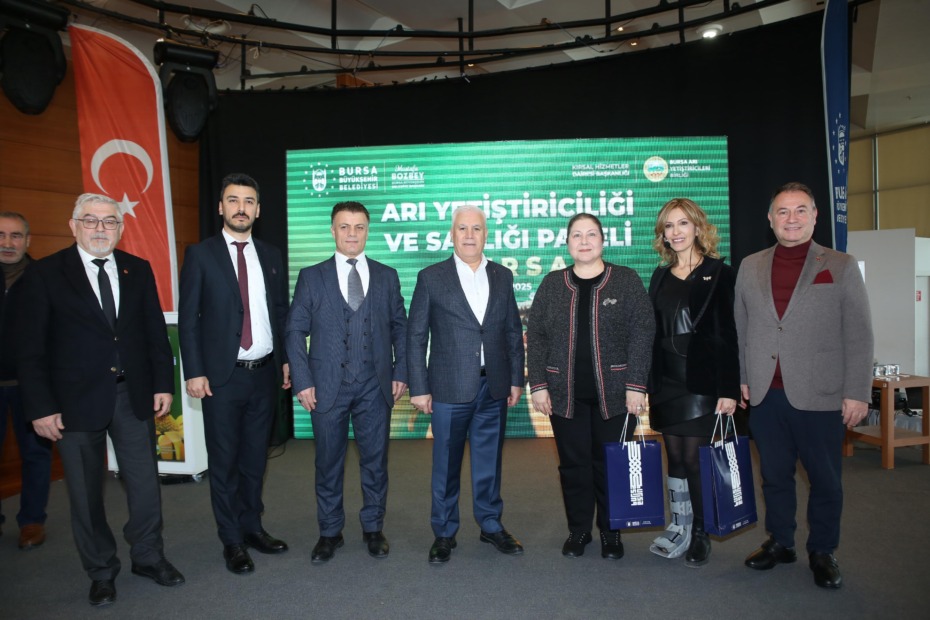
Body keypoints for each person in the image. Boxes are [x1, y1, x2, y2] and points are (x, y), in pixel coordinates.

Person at [17, 194, 184, 606]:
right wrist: (40, 407)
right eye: (90, 220)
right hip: (73, 403)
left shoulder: (137, 268)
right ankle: (101, 570)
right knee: (85, 493)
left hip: (133, 395)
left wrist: (163, 385)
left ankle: (148, 556)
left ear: (120, 228)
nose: (100, 228)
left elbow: (154, 333)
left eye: (110, 222)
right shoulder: (46, 274)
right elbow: (30, 349)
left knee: (145, 486)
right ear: (73, 225)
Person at [735, 182, 873, 589]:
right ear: (770, 219)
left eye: (800, 210)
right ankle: (781, 542)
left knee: (825, 480)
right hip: (765, 395)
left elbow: (859, 333)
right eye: (783, 211)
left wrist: (857, 391)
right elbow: (742, 328)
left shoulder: (840, 265)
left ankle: (823, 550)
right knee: (774, 476)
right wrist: (742, 377)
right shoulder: (750, 265)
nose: (791, 219)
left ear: (815, 216)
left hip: (821, 394)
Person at [178, 173, 291, 575]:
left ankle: (252, 527)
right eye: (233, 200)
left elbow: (280, 313)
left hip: (264, 375)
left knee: (255, 460)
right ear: (221, 207)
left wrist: (286, 360)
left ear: (258, 210)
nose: (241, 208)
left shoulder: (271, 255)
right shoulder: (200, 255)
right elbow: (188, 319)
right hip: (220, 379)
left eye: (248, 201)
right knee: (224, 462)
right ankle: (231, 540)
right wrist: (194, 371)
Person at [526, 213, 654, 560]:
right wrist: (538, 384)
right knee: (573, 465)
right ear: (567, 243)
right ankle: (579, 530)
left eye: (591, 234)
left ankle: (611, 531)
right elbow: (536, 336)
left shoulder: (625, 280)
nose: (584, 241)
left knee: (610, 464)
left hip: (616, 394)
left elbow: (643, 332)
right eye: (577, 235)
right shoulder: (552, 284)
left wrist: (636, 384)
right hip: (563, 394)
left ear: (602, 240)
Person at [286, 201, 407, 563]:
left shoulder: (387, 276)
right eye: (344, 226)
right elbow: (294, 330)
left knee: (375, 462)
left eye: (359, 227)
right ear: (333, 230)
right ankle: (329, 532)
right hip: (325, 386)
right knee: (328, 463)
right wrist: (302, 380)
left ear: (368, 231)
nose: (352, 234)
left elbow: (400, 327)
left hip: (375, 386)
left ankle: (373, 528)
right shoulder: (311, 276)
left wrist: (401, 372)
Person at [407, 205, 525, 564]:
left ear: (486, 234)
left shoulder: (503, 275)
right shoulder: (430, 277)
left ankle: (490, 524)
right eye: (462, 228)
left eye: (476, 228)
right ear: (452, 234)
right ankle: (444, 532)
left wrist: (516, 379)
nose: (469, 235)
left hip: (494, 388)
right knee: (445, 465)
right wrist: (419, 387)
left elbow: (512, 331)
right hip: (447, 389)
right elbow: (416, 336)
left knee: (489, 463)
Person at [646, 198, 740, 566]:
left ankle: (701, 531)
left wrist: (728, 389)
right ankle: (679, 525)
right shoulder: (659, 276)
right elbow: (652, 332)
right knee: (674, 458)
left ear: (698, 227)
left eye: (682, 223)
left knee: (695, 459)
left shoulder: (720, 272)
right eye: (669, 226)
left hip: (702, 382)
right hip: (666, 381)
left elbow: (729, 334)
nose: (676, 232)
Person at [0, 212, 53, 550]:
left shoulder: (43, 277)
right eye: (1, 235)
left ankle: (32, 520)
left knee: (36, 454)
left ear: (27, 241)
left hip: (31, 385)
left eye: (16, 236)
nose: (8, 243)